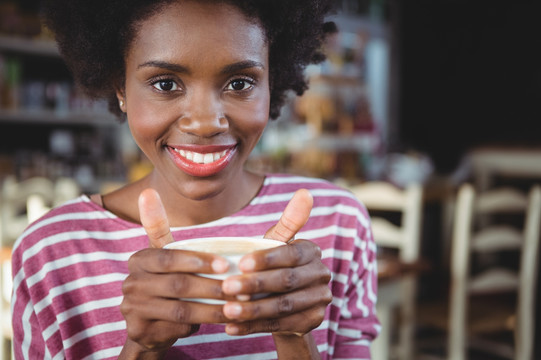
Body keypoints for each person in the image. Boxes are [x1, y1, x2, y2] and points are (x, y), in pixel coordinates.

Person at [11, 0, 379, 359]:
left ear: (273, 81)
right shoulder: (51, 252)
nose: (205, 123)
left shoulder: (337, 224)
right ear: (121, 87)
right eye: (166, 84)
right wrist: (140, 350)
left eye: (239, 83)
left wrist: (297, 341)